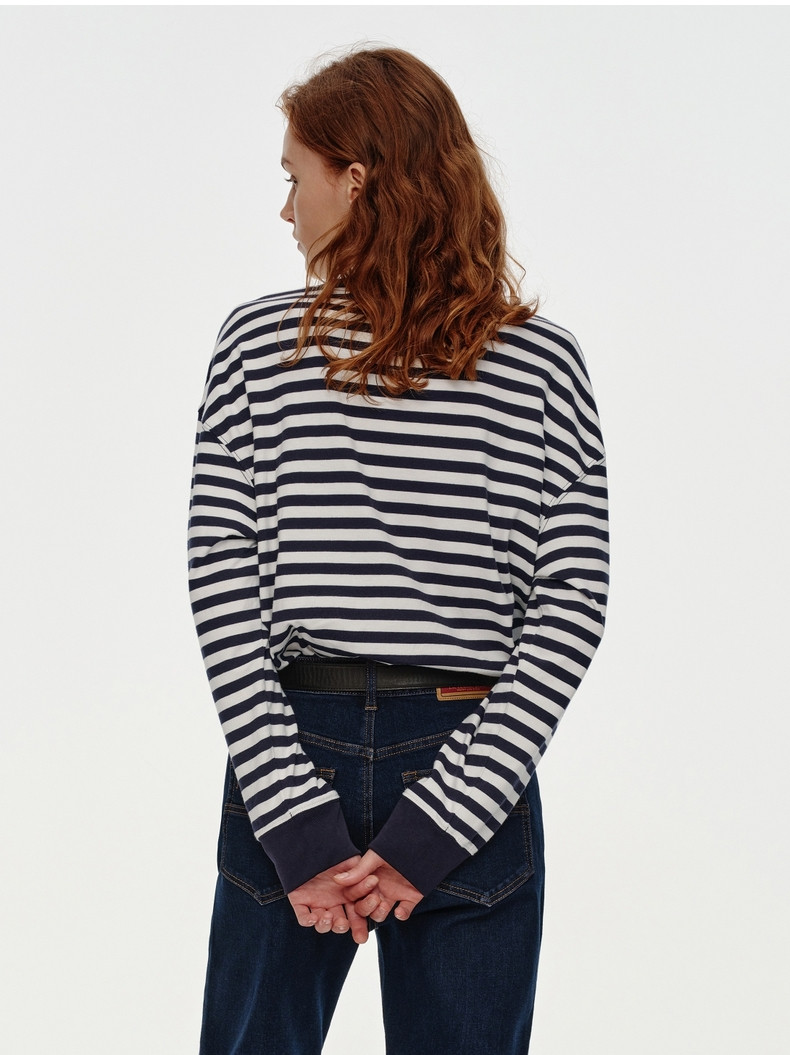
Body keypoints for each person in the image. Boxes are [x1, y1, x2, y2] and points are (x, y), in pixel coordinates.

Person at [188, 46, 608, 1055]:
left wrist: (290, 812)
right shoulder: (540, 363)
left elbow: (222, 589)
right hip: (476, 743)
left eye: (294, 177)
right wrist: (451, 817)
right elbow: (571, 600)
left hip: (293, 736)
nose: (285, 209)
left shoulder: (258, 348)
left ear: (355, 179)